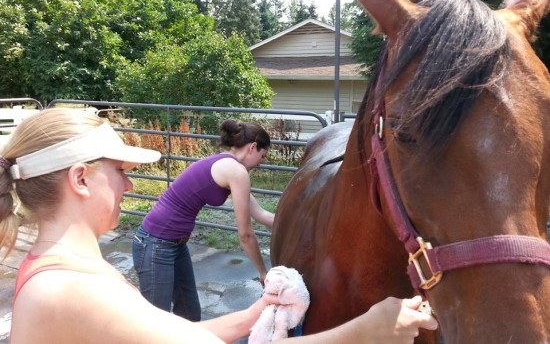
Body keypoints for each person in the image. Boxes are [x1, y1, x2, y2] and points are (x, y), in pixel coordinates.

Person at [0, 107, 438, 343]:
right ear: (80, 178)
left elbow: (178, 335)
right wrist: (364, 332)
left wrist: (255, 313)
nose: (131, 183)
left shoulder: (65, 271)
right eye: (119, 170)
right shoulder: (68, 292)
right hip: (162, 244)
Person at [133, 119, 275, 321]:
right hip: (155, 244)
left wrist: (300, 225)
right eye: (263, 155)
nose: (262, 162)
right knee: (155, 321)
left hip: (175, 244)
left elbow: (261, 214)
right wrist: (263, 272)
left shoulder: (227, 165)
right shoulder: (236, 171)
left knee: (190, 314)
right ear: (253, 147)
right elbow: (245, 234)